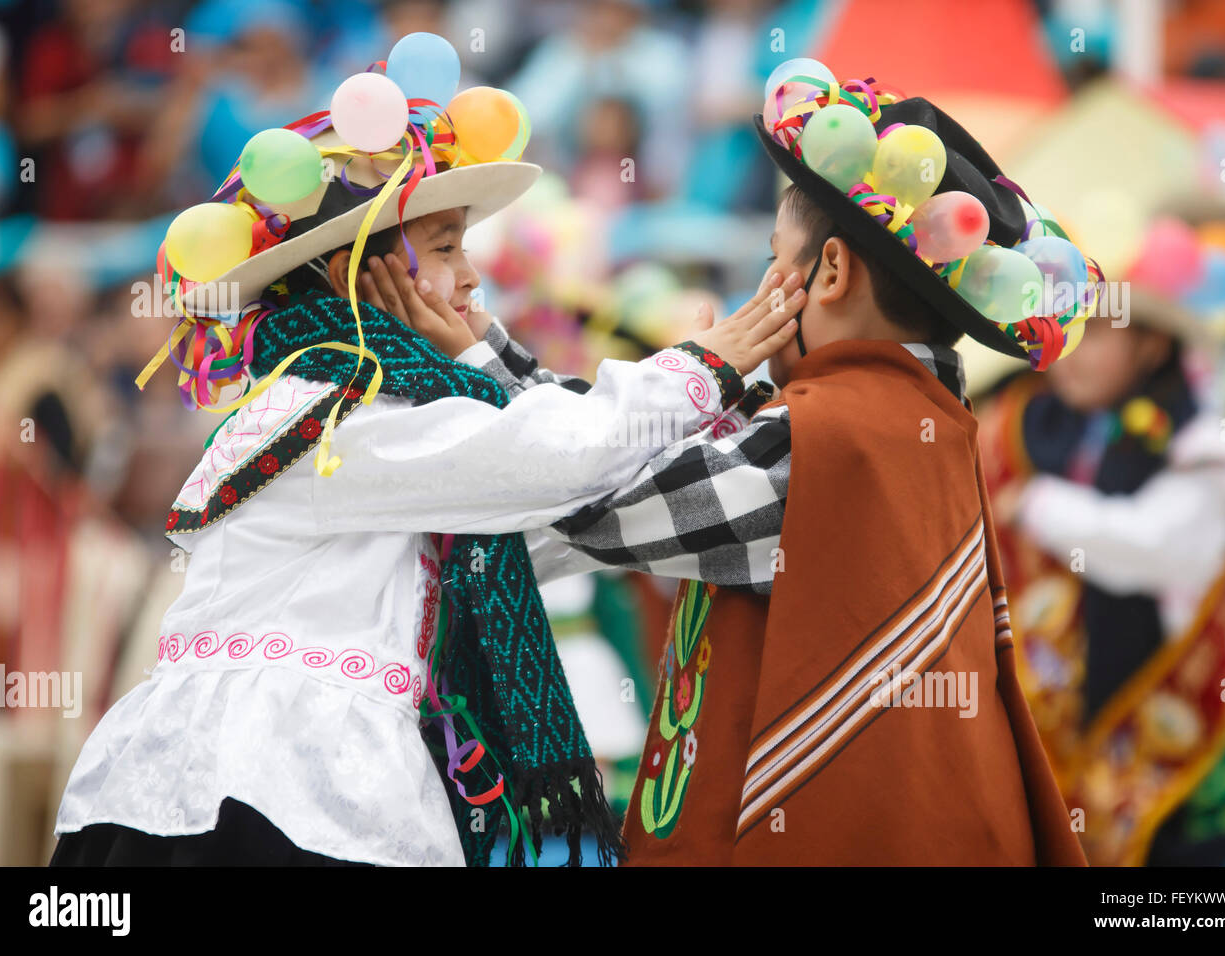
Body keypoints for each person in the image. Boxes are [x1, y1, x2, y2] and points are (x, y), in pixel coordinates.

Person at [48, 54, 802, 868]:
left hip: (309, 796)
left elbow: (563, 513)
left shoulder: (393, 410)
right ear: (358, 274)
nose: (471, 277)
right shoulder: (332, 412)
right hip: (254, 797)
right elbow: (555, 461)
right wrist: (701, 365)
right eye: (444, 247)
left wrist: (702, 412)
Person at [414, 69, 1094, 864]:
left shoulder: (834, 437)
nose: (760, 285)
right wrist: (502, 350)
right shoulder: (902, 421)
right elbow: (618, 467)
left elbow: (592, 496)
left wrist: (485, 357)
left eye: (775, 259)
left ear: (830, 273)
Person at [978, 216, 1225, 866]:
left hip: (1184, 716)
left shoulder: (1205, 445)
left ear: (1150, 345)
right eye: (1065, 330)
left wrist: (1037, 505)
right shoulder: (1022, 420)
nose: (1073, 350)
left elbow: (1162, 549)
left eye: (1097, 334)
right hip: (1060, 709)